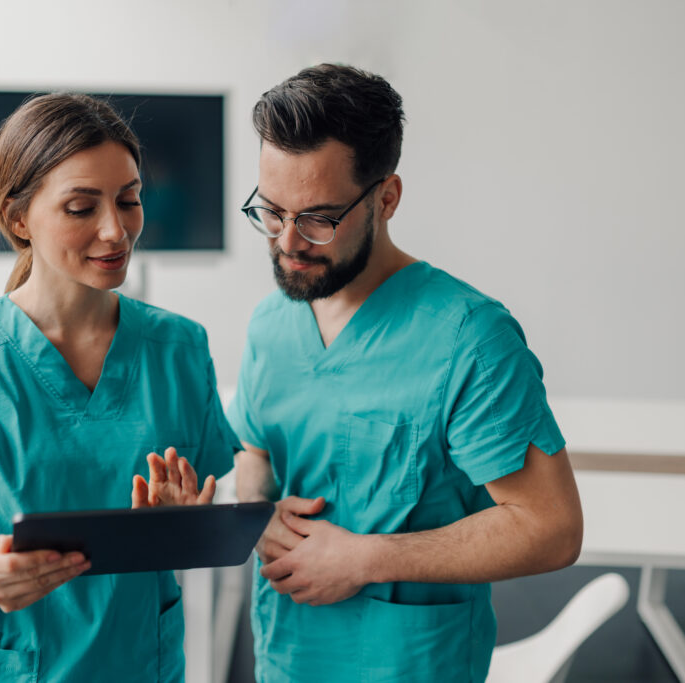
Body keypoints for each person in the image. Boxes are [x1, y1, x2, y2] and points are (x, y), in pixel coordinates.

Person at [0, 93, 240, 682]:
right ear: (17, 220)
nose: (116, 230)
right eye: (82, 208)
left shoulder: (179, 350)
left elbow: (186, 537)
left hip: (135, 663)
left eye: (129, 200)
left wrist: (177, 527)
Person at [227, 64, 584, 682]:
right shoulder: (270, 323)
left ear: (386, 198)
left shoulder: (470, 337)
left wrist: (366, 558)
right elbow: (255, 451)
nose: (287, 242)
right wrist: (259, 512)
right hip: (287, 651)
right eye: (271, 212)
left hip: (410, 661)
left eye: (318, 218)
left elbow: (550, 529)